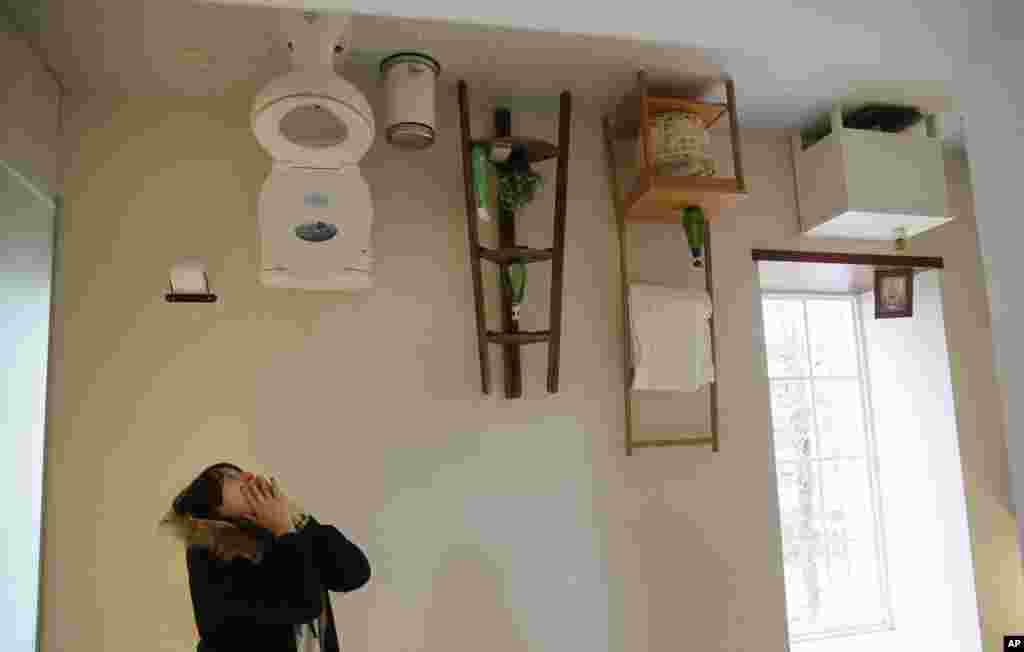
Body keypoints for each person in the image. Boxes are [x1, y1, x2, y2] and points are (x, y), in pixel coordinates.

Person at [160, 462, 371, 652]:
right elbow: (304, 603)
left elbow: (355, 572)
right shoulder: (211, 553)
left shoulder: (282, 533)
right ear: (216, 512)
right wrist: (284, 530)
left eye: (241, 472)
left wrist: (298, 519)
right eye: (232, 479)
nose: (250, 477)